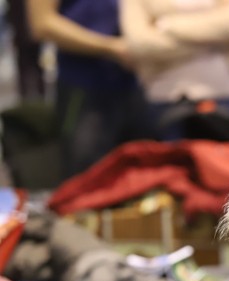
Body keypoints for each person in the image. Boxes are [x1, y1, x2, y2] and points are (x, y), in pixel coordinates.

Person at [27, 0, 154, 179]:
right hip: (84, 86)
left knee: (145, 176)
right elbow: (42, 25)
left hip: (139, 83)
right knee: (88, 181)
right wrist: (110, 47)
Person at [120, 0, 229, 140]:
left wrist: (167, 25)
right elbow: (141, 44)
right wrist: (211, 39)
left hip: (224, 97)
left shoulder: (166, 25)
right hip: (164, 100)